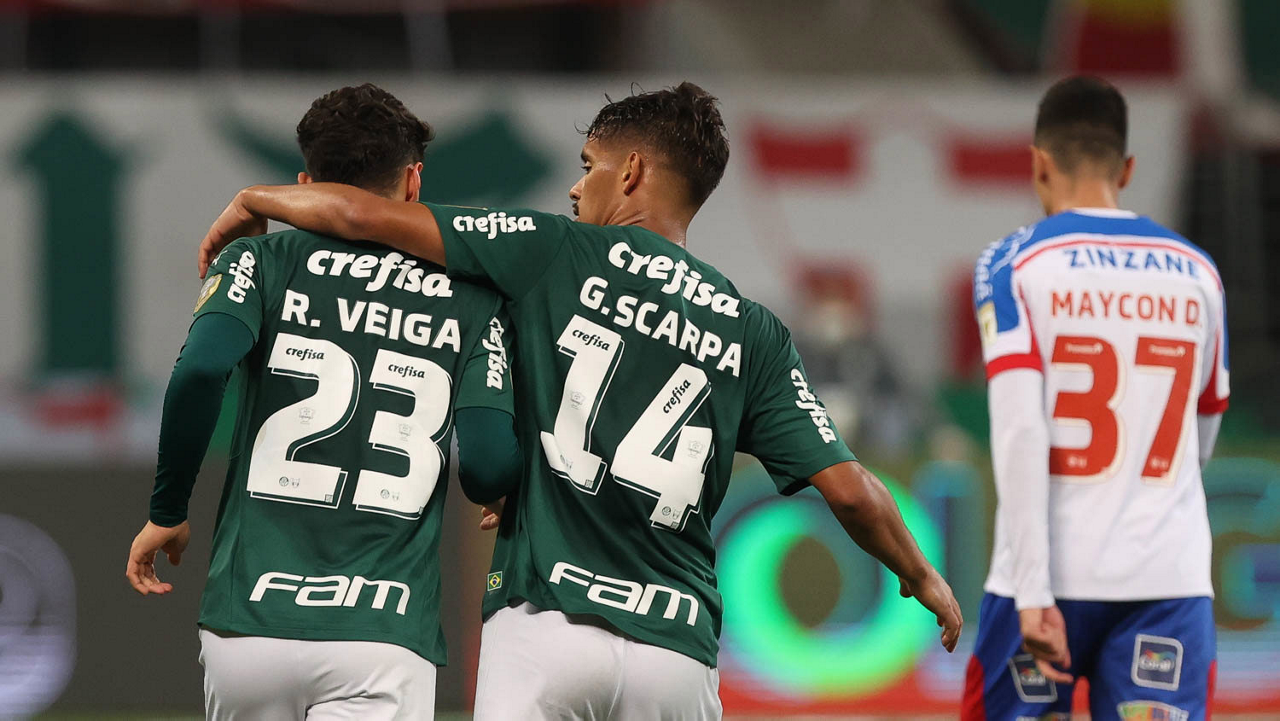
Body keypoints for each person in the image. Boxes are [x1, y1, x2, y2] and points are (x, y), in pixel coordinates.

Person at [198, 81, 962, 720]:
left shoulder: (549, 250)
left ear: (632, 171)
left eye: (588, 166)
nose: (574, 185)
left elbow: (362, 216)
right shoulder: (752, 329)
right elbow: (851, 491)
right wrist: (920, 573)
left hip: (546, 626)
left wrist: (253, 200)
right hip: (675, 650)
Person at [125, 84, 522, 720]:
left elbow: (199, 371)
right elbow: (487, 461)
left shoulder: (258, 260)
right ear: (414, 182)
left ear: (305, 186)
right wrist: (499, 492)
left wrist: (167, 509)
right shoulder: (472, 296)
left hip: (250, 625)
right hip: (383, 632)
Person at [964, 76, 1227, 719]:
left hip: (1044, 580)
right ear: (1127, 169)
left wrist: (1032, 591)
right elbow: (1202, 435)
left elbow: (1020, 431)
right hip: (1167, 581)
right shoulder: (1199, 273)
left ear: (1038, 164)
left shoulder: (1012, 265)